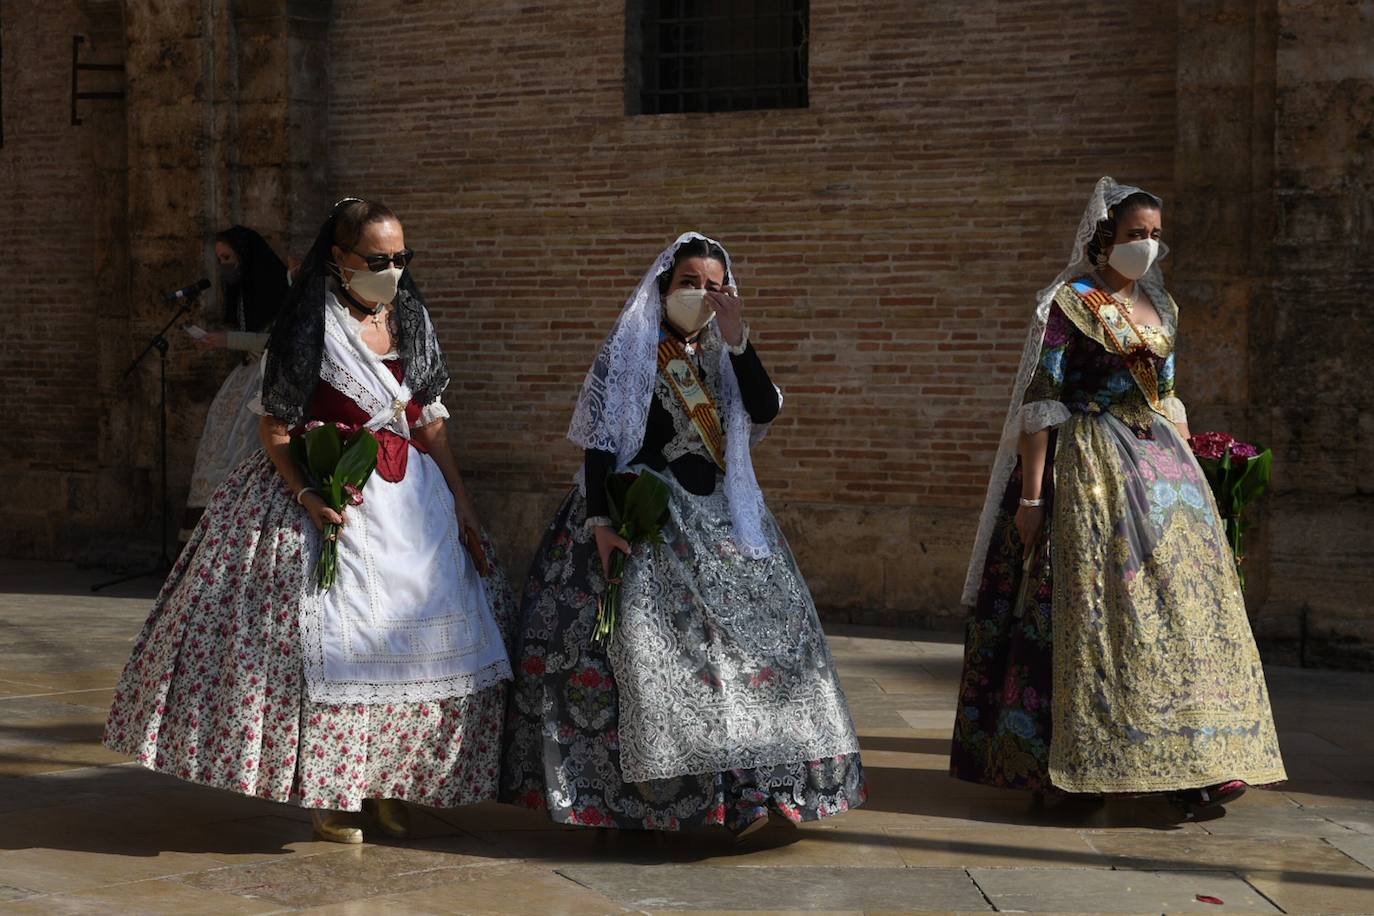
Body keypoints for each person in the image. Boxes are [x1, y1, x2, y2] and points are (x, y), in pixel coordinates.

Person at [105, 199, 513, 843]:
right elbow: (275, 426)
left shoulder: (410, 315)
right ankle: (335, 795)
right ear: (338, 258)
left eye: (401, 259)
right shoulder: (308, 324)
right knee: (334, 650)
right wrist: (304, 495)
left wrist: (462, 500)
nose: (392, 272)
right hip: (330, 493)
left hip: (414, 499)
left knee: (414, 647)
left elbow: (428, 417)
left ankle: (387, 784)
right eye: (377, 261)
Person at [500, 232, 866, 836]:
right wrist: (599, 523)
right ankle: (639, 800)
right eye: (689, 283)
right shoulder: (630, 352)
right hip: (642, 517)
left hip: (725, 517)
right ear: (663, 287)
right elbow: (597, 442)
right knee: (647, 656)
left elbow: (763, 411)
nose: (701, 294)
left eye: (715, 286)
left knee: (755, 655)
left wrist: (740, 337)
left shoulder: (725, 354)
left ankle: (755, 794)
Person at [949, 178, 1286, 814]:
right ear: (1105, 236)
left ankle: (1197, 764)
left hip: (1162, 470)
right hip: (1090, 468)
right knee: (1097, 617)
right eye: (1136, 235)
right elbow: (1041, 404)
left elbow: (1166, 395)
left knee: (1184, 614)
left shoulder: (1163, 306)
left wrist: (1200, 479)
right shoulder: (1070, 303)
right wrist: (1030, 499)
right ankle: (1078, 769)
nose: (1148, 246)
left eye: (1156, 235)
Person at [181, 227, 291, 538]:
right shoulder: (242, 292)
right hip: (244, 376)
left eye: (228, 258)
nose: (225, 265)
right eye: (220, 259)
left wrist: (228, 340)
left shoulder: (279, 288)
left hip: (270, 380)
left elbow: (279, 341)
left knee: (248, 450)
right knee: (218, 449)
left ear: (245, 256)